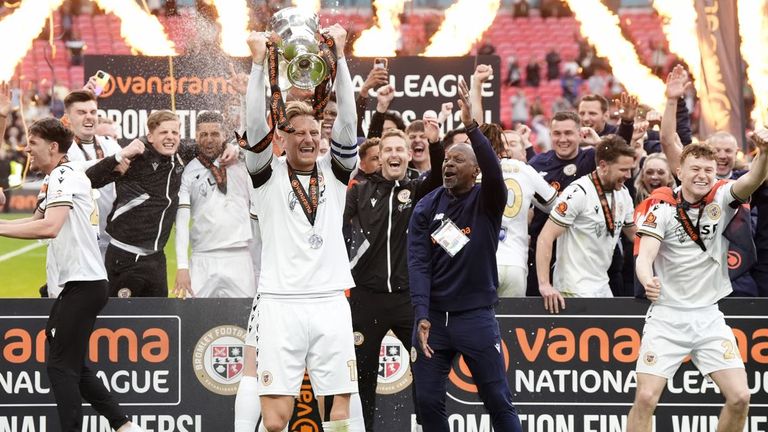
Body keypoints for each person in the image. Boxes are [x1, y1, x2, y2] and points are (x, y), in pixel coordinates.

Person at [241, 27, 364, 432]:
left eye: (316, 132)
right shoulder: (265, 175)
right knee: (276, 422)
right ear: (283, 137)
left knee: (340, 417)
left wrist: (342, 56)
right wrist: (258, 64)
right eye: (301, 133)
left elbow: (348, 116)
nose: (311, 138)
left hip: (330, 301)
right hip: (281, 302)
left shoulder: (337, 171)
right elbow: (255, 122)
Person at [0, 118, 145, 432]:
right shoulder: (66, 173)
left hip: (84, 284)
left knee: (59, 367)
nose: (26, 150)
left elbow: (48, 227)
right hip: (82, 285)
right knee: (72, 365)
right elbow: (41, 224)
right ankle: (124, 426)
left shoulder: (64, 175)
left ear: (52, 148)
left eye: (32, 144)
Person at [629, 135, 768, 432]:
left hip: (708, 317)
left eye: (708, 169)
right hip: (666, 317)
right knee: (645, 397)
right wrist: (647, 279)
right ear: (680, 171)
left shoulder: (723, 197)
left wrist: (765, 153)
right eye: (695, 169)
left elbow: (753, 179)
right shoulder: (660, 206)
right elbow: (645, 255)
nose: (702, 175)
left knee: (740, 397)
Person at [408, 78, 522, 432]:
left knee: (497, 399)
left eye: (459, 159)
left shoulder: (488, 202)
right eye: (447, 159)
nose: (449, 164)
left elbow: (494, 168)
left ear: (475, 171)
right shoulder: (427, 206)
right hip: (434, 322)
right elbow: (419, 263)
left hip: (475, 318)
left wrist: (471, 128)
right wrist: (422, 314)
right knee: (426, 402)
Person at [345, 124, 444, 431]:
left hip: (408, 299)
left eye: (399, 149)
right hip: (366, 298)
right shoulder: (360, 190)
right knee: (361, 379)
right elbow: (338, 234)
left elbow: (440, 177)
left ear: (409, 155)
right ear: (379, 157)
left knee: (426, 371)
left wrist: (436, 144)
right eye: (387, 150)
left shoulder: (418, 187)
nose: (394, 154)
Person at [85, 110, 183, 298]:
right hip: (124, 257)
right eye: (164, 133)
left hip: (156, 259)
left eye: (175, 133)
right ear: (150, 137)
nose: (170, 137)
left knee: (159, 320)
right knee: (119, 321)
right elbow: (89, 180)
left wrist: (232, 148)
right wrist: (119, 156)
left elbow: (211, 148)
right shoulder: (135, 159)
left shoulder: (179, 156)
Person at [536, 135, 637, 312]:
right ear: (604, 166)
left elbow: (634, 235)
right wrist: (544, 284)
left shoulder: (623, 194)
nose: (628, 176)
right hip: (572, 289)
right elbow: (546, 236)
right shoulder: (578, 192)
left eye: (630, 170)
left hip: (602, 286)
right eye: (623, 170)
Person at [173, 111, 256, 299]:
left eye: (215, 134)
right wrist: (182, 266)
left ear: (225, 135)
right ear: (196, 137)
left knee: (244, 320)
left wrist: (237, 148)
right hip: (202, 256)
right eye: (203, 134)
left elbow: (253, 139)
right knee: (195, 322)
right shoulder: (188, 172)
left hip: (239, 255)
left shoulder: (241, 161)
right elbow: (182, 222)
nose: (209, 140)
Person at [494, 128, 557, 297]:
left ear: (524, 152)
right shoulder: (525, 170)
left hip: (485, 262)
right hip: (515, 262)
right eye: (504, 143)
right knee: (511, 322)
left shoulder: (480, 169)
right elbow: (554, 206)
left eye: (513, 143)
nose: (507, 148)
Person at [62, 89, 123, 259]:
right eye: (81, 112)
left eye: (93, 112)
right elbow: (75, 173)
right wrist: (113, 161)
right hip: (78, 243)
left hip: (111, 239)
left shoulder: (110, 146)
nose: (89, 116)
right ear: (67, 118)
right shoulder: (63, 150)